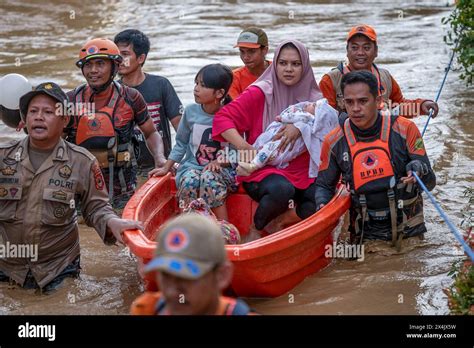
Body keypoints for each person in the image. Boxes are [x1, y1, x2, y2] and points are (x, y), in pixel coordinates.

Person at [0, 82, 143, 292]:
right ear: (24, 119)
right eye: (33, 111)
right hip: (7, 265)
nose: (39, 117)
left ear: (65, 119)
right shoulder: (4, 156)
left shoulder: (82, 162)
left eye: (48, 112)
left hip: (58, 268)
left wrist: (113, 222)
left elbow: (96, 208)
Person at [315, 71, 436, 250]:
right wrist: (322, 208)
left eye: (363, 101)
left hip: (409, 230)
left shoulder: (405, 129)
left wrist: (418, 169)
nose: (355, 108)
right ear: (342, 103)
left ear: (378, 100)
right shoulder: (333, 141)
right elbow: (324, 186)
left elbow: (430, 182)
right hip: (365, 235)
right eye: (349, 102)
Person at [213, 40, 322, 238]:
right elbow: (223, 118)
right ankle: (256, 228)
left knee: (321, 198)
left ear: (305, 66)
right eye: (283, 63)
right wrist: (245, 147)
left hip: (304, 170)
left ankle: (281, 221)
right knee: (282, 189)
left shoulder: (316, 98)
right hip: (262, 168)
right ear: (274, 64)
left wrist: (300, 127)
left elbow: (329, 132)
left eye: (296, 64)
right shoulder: (260, 91)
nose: (288, 69)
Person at [65, 38, 166, 209]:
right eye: (88, 65)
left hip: (122, 190)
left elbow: (151, 133)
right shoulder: (70, 100)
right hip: (78, 189)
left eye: (100, 64)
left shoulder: (131, 98)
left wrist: (160, 158)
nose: (93, 71)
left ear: (115, 67)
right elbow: (52, 142)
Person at [153, 64, 236, 221]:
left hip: (222, 172)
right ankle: (189, 224)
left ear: (219, 93)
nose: (196, 89)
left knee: (210, 177)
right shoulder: (191, 111)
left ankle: (224, 228)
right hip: (192, 167)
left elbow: (238, 152)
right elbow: (181, 143)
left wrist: (220, 162)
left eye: (203, 85)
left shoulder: (232, 115)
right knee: (190, 180)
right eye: (196, 83)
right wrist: (166, 168)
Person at [130, 213, 254, 315]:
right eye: (166, 276)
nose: (172, 292)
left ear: (222, 275)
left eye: (186, 278)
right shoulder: (146, 309)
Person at [319, 24, 439, 118]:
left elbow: (398, 106)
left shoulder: (385, 77)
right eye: (354, 47)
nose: (360, 52)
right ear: (347, 51)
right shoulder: (330, 80)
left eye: (366, 48)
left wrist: (422, 105)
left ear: (376, 51)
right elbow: (325, 120)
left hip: (381, 139)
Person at [114, 29, 183, 176]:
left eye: (125, 54)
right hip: (124, 170)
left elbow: (182, 128)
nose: (119, 59)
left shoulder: (161, 85)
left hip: (159, 166)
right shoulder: (113, 91)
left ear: (141, 58)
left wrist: (184, 161)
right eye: (116, 54)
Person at [238, 99, 338, 177]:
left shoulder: (307, 117)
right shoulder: (314, 129)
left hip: (281, 143)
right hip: (286, 154)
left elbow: (290, 116)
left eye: (314, 105)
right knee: (267, 151)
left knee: (267, 149)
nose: (309, 103)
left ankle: (253, 166)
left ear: (318, 115)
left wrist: (281, 118)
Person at [228, 27, 271, 100]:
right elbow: (236, 108)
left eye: (251, 51)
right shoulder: (233, 78)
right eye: (242, 51)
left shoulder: (280, 71)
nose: (245, 57)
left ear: (265, 50)